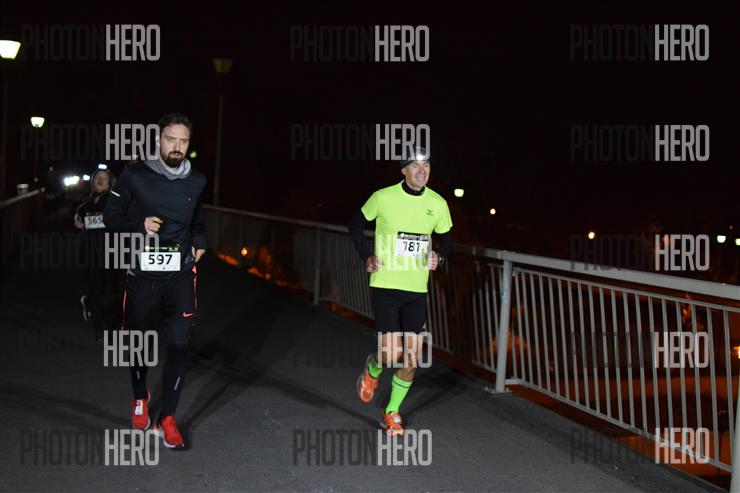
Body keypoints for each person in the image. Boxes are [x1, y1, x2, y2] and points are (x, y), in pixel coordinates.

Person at [103, 113, 207, 449]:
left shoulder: (196, 180)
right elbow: (110, 216)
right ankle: (140, 396)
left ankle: (168, 418)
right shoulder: (135, 175)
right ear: (158, 140)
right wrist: (140, 225)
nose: (177, 147)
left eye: (183, 141)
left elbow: (197, 218)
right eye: (170, 139)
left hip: (180, 272)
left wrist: (200, 240)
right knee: (138, 340)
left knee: (179, 342)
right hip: (143, 273)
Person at [349, 147, 453, 436]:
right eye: (415, 166)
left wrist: (440, 256)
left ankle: (391, 412)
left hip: (416, 290)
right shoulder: (383, 197)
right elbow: (355, 224)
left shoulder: (438, 203)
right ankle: (373, 369)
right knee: (389, 354)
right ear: (403, 170)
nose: (422, 171)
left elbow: (447, 240)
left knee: (411, 359)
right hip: (385, 285)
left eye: (427, 165)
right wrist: (367, 255)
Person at [74, 168, 117, 340]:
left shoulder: (114, 201)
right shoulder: (85, 204)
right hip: (91, 253)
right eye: (97, 177)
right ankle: (98, 329)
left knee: (106, 289)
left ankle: (88, 302)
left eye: (104, 178)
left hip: (110, 252)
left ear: (108, 184)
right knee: (96, 289)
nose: (100, 180)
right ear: (92, 182)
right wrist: (78, 223)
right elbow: (77, 220)